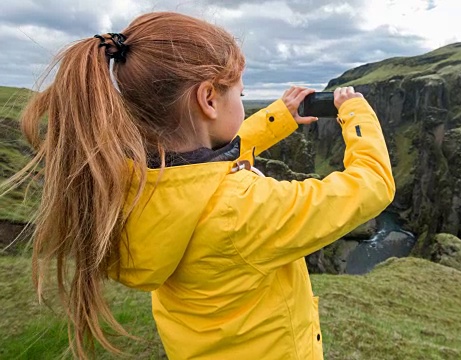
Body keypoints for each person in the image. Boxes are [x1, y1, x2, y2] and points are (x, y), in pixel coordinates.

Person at [9, 11, 394, 360]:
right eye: (240, 95)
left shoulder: (127, 184)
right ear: (208, 98)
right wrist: (357, 114)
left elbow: (203, 161)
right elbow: (372, 185)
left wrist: (280, 117)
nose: (243, 104)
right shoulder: (242, 209)